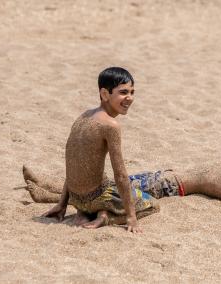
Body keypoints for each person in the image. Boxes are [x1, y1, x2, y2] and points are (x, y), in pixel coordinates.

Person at [39, 67, 154, 233]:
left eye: (132, 92)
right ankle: (106, 216)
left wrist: (62, 204)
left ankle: (88, 213)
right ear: (105, 94)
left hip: (76, 199)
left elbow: (73, 163)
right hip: (97, 198)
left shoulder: (83, 116)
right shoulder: (110, 125)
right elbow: (120, 174)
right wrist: (131, 217)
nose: (129, 98)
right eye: (123, 92)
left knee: (107, 183)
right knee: (151, 204)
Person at [21, 161, 221, 228]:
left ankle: (46, 191)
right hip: (167, 177)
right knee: (117, 183)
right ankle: (48, 187)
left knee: (115, 185)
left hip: (168, 185)